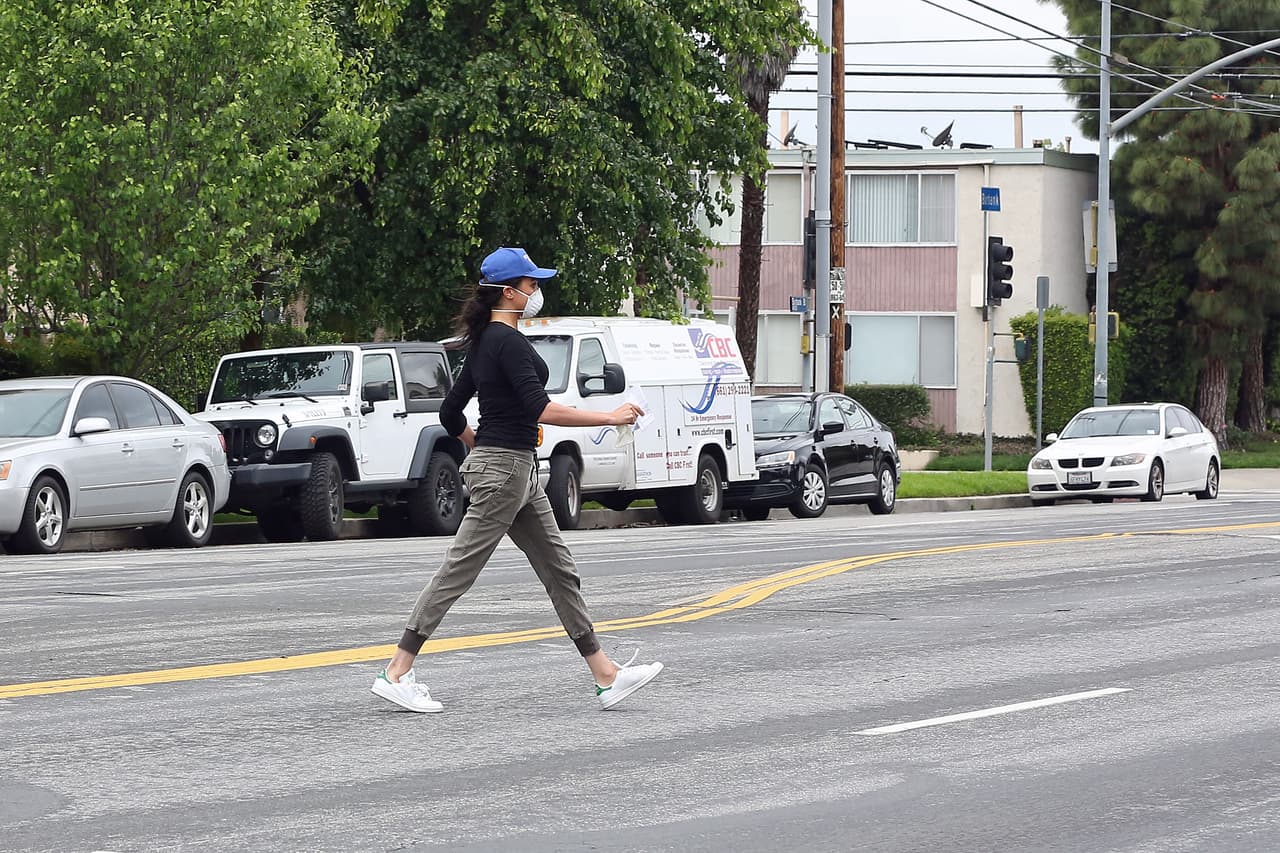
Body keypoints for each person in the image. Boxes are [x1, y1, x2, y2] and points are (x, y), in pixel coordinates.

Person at [371, 247, 664, 713]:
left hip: (516, 470)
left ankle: (606, 675)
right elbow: (538, 407)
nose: (536, 292)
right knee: (458, 570)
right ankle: (396, 671)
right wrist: (608, 416)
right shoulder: (503, 341)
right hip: (506, 471)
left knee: (559, 570)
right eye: (530, 285)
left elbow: (450, 412)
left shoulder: (487, 340)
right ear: (508, 292)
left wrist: (479, 445)